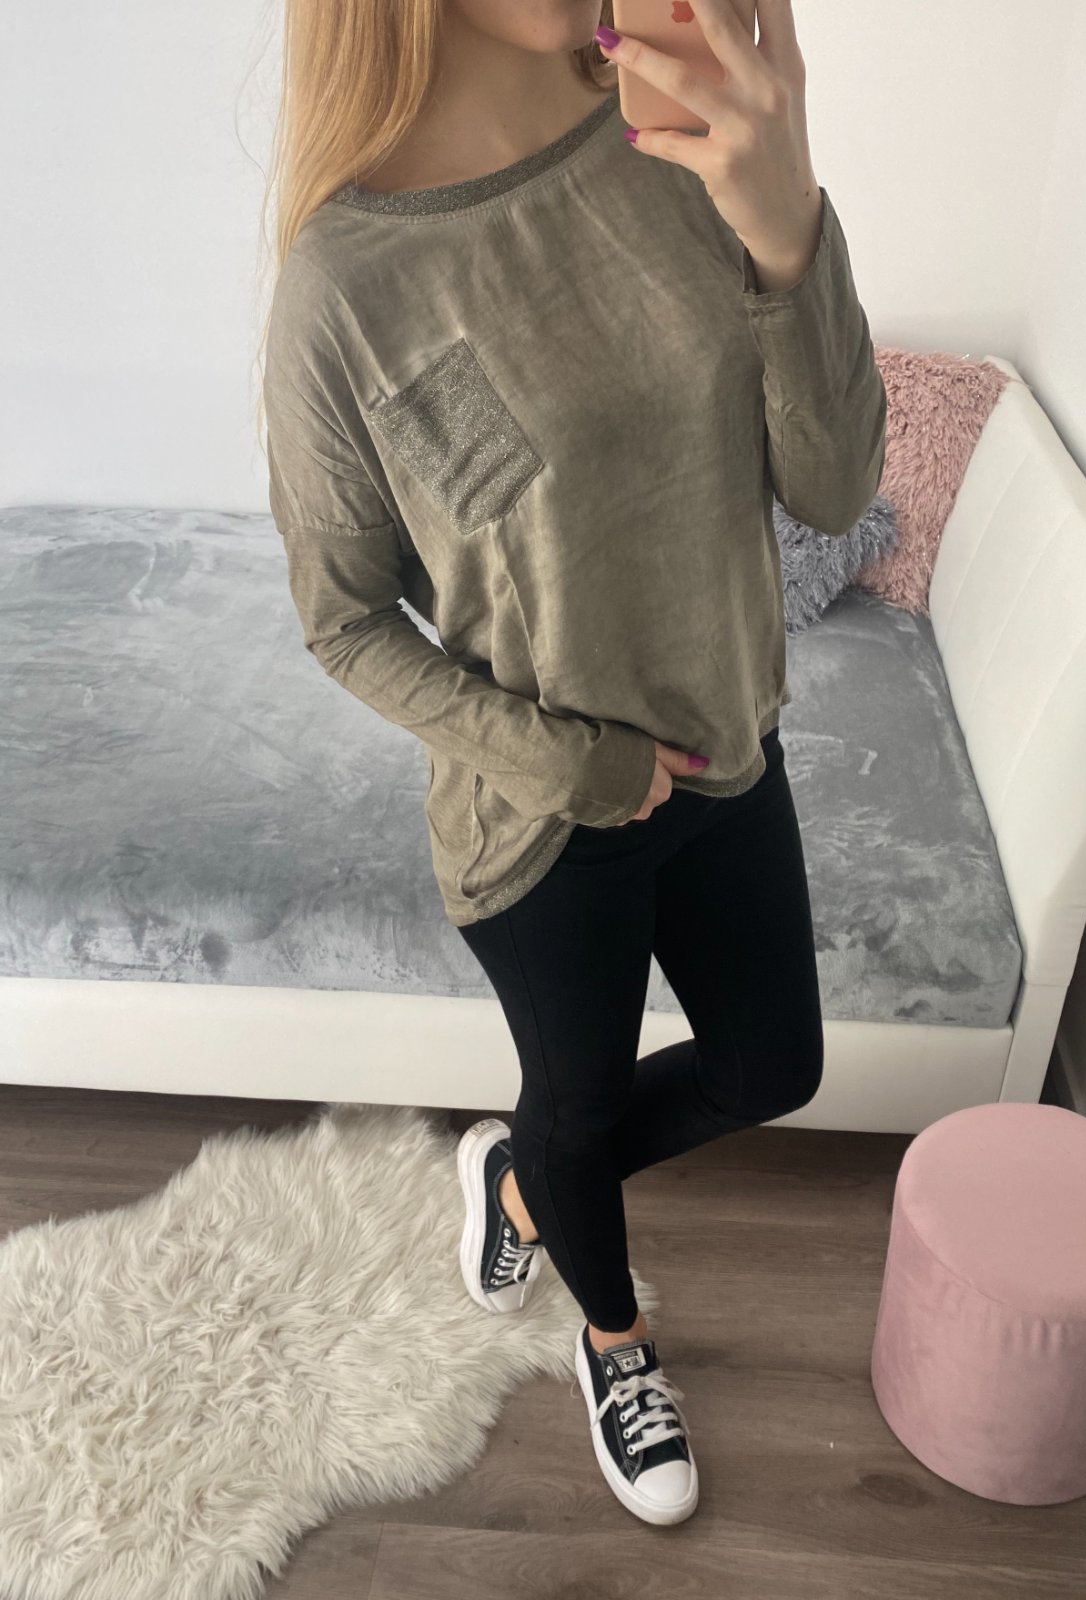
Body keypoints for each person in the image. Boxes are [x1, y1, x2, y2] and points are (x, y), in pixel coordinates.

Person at [261, 0, 887, 1527]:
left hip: (730, 745)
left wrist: (789, 224)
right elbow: (345, 622)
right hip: (539, 820)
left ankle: (518, 1181)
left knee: (772, 1067)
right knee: (583, 1105)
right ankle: (612, 1338)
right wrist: (574, 763)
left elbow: (835, 487)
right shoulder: (343, 287)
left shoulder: (675, 137)